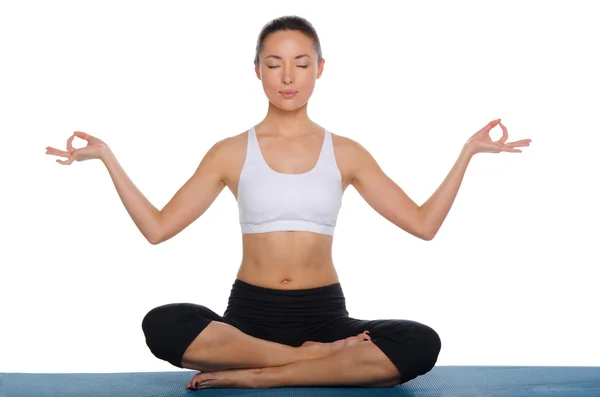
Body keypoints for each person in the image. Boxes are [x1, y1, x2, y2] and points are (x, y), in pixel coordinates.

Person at [46, 15, 531, 390]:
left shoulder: (347, 152)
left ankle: (262, 374)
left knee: (420, 342)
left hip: (326, 315)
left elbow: (424, 225)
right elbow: (157, 228)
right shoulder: (230, 151)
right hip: (248, 318)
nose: (288, 76)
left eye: (301, 63)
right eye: (274, 64)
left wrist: (468, 153)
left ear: (320, 69)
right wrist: (108, 158)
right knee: (163, 323)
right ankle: (313, 362)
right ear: (257, 70)